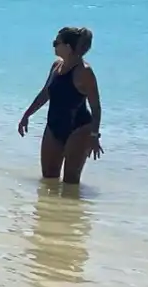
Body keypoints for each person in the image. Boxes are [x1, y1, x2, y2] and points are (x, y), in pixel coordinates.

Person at [17, 26, 103, 186]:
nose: (54, 45)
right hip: (54, 126)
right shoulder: (56, 66)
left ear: (68, 47)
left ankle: (72, 210)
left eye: (57, 42)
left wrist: (94, 135)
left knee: (70, 182)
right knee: (48, 178)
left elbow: (96, 107)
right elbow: (45, 93)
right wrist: (27, 115)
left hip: (79, 128)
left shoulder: (84, 72)